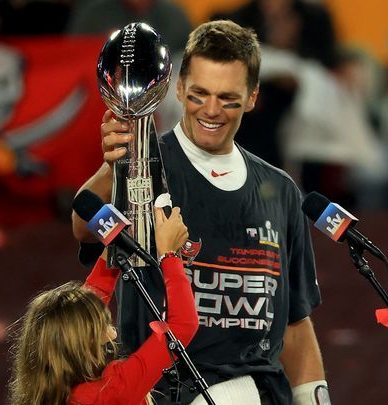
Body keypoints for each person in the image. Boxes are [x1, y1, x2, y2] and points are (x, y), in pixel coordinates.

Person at [72, 20, 329, 404]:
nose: (212, 110)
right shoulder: (144, 164)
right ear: (177, 89)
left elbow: (294, 323)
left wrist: (315, 399)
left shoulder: (282, 193)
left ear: (253, 96)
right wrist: (113, 168)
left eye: (228, 98)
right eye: (198, 94)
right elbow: (83, 227)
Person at [9, 206, 197, 404]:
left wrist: (114, 247)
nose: (104, 314)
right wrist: (170, 255)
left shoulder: (57, 390)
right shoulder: (112, 391)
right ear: (86, 339)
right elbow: (182, 327)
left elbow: (89, 300)